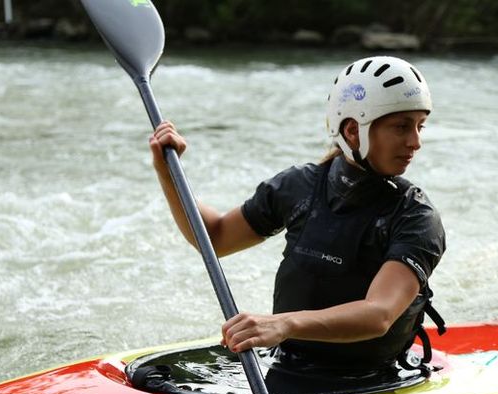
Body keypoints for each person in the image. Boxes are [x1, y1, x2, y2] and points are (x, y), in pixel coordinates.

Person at [148, 56, 445, 375]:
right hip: (286, 360)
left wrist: (284, 324)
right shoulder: (299, 187)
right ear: (353, 130)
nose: (416, 142)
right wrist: (167, 172)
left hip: (371, 373)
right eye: (402, 127)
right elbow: (215, 237)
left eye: (419, 126)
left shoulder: (415, 215)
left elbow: (379, 314)